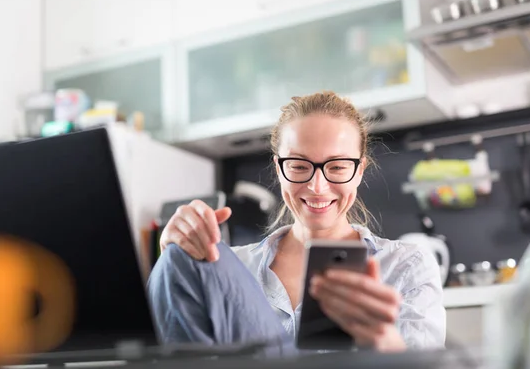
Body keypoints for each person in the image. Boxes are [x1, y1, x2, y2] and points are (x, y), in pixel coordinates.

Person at [147, 91, 446, 354]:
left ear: (359, 170)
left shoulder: (406, 265)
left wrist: (384, 343)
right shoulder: (234, 269)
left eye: (338, 166)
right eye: (299, 166)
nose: (317, 186)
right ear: (278, 168)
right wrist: (173, 257)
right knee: (176, 259)